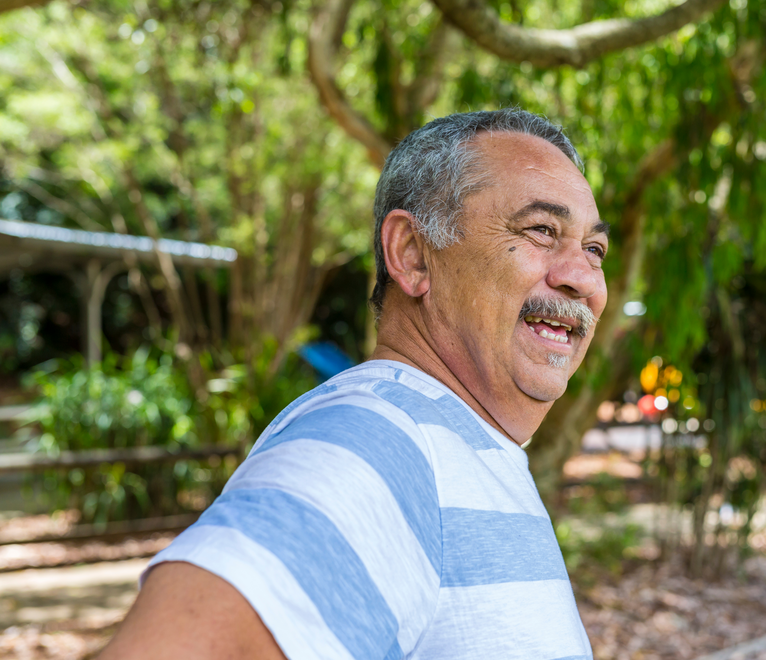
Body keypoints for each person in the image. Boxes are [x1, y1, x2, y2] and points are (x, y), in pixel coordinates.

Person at [99, 108, 609, 660]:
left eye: (593, 249)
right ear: (413, 256)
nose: (581, 277)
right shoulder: (376, 440)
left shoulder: (457, 446)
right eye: (541, 231)